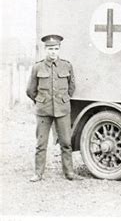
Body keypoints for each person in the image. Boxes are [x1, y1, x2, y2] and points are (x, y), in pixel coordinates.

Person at [26, 34, 81, 181]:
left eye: (56, 49)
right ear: (45, 50)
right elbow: (30, 90)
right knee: (41, 143)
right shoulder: (37, 67)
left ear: (59, 50)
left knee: (66, 142)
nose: (53, 52)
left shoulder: (66, 65)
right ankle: (38, 173)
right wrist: (40, 101)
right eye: (50, 49)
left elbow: (71, 86)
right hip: (44, 110)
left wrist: (64, 99)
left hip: (62, 110)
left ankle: (69, 172)